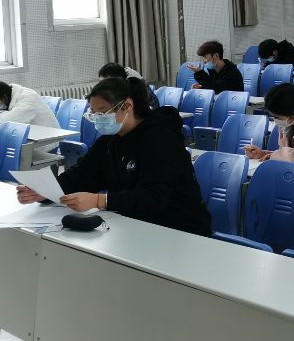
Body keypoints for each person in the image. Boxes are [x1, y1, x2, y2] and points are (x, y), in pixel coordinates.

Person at [16, 76, 212, 235]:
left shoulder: (161, 139)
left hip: (178, 228)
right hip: (135, 224)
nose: (97, 119)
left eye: (102, 112)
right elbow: (82, 175)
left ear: (126, 106)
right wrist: (46, 191)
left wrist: (99, 201)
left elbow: (153, 197)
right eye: (93, 113)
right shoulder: (110, 141)